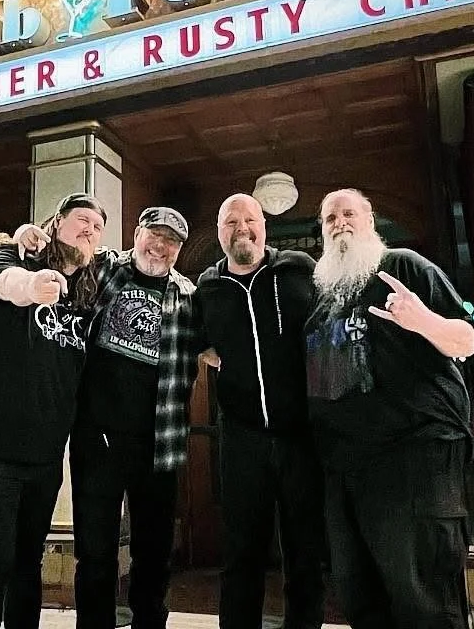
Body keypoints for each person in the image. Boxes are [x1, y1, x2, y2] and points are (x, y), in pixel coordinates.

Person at [15, 206, 202, 629]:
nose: (161, 245)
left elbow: (218, 339)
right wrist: (24, 235)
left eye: (172, 240)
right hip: (96, 440)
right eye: (155, 234)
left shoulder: (189, 296)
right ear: (136, 233)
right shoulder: (102, 268)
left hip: (159, 444)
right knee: (95, 554)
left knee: (153, 554)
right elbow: (55, 253)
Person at [305, 188, 474, 629]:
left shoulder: (402, 266)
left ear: (370, 220)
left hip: (414, 455)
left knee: (423, 599)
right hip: (345, 466)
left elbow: (467, 338)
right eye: (329, 218)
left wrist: (422, 321)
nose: (340, 223)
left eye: (349, 214)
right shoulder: (323, 295)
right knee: (360, 595)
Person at [0, 193, 106, 629]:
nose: (89, 229)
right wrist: (32, 287)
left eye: (97, 226)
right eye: (81, 220)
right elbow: (3, 280)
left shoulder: (89, 293)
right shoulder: (11, 256)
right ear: (55, 224)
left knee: (26, 565)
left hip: (44, 455)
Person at [195, 193, 325, 629]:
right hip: (241, 437)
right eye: (231, 222)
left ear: (265, 226)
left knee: (304, 550)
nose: (242, 228)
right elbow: (199, 343)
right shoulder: (207, 288)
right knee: (241, 552)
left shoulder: (298, 270)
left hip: (299, 435)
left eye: (250, 219)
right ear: (219, 233)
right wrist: (219, 355)